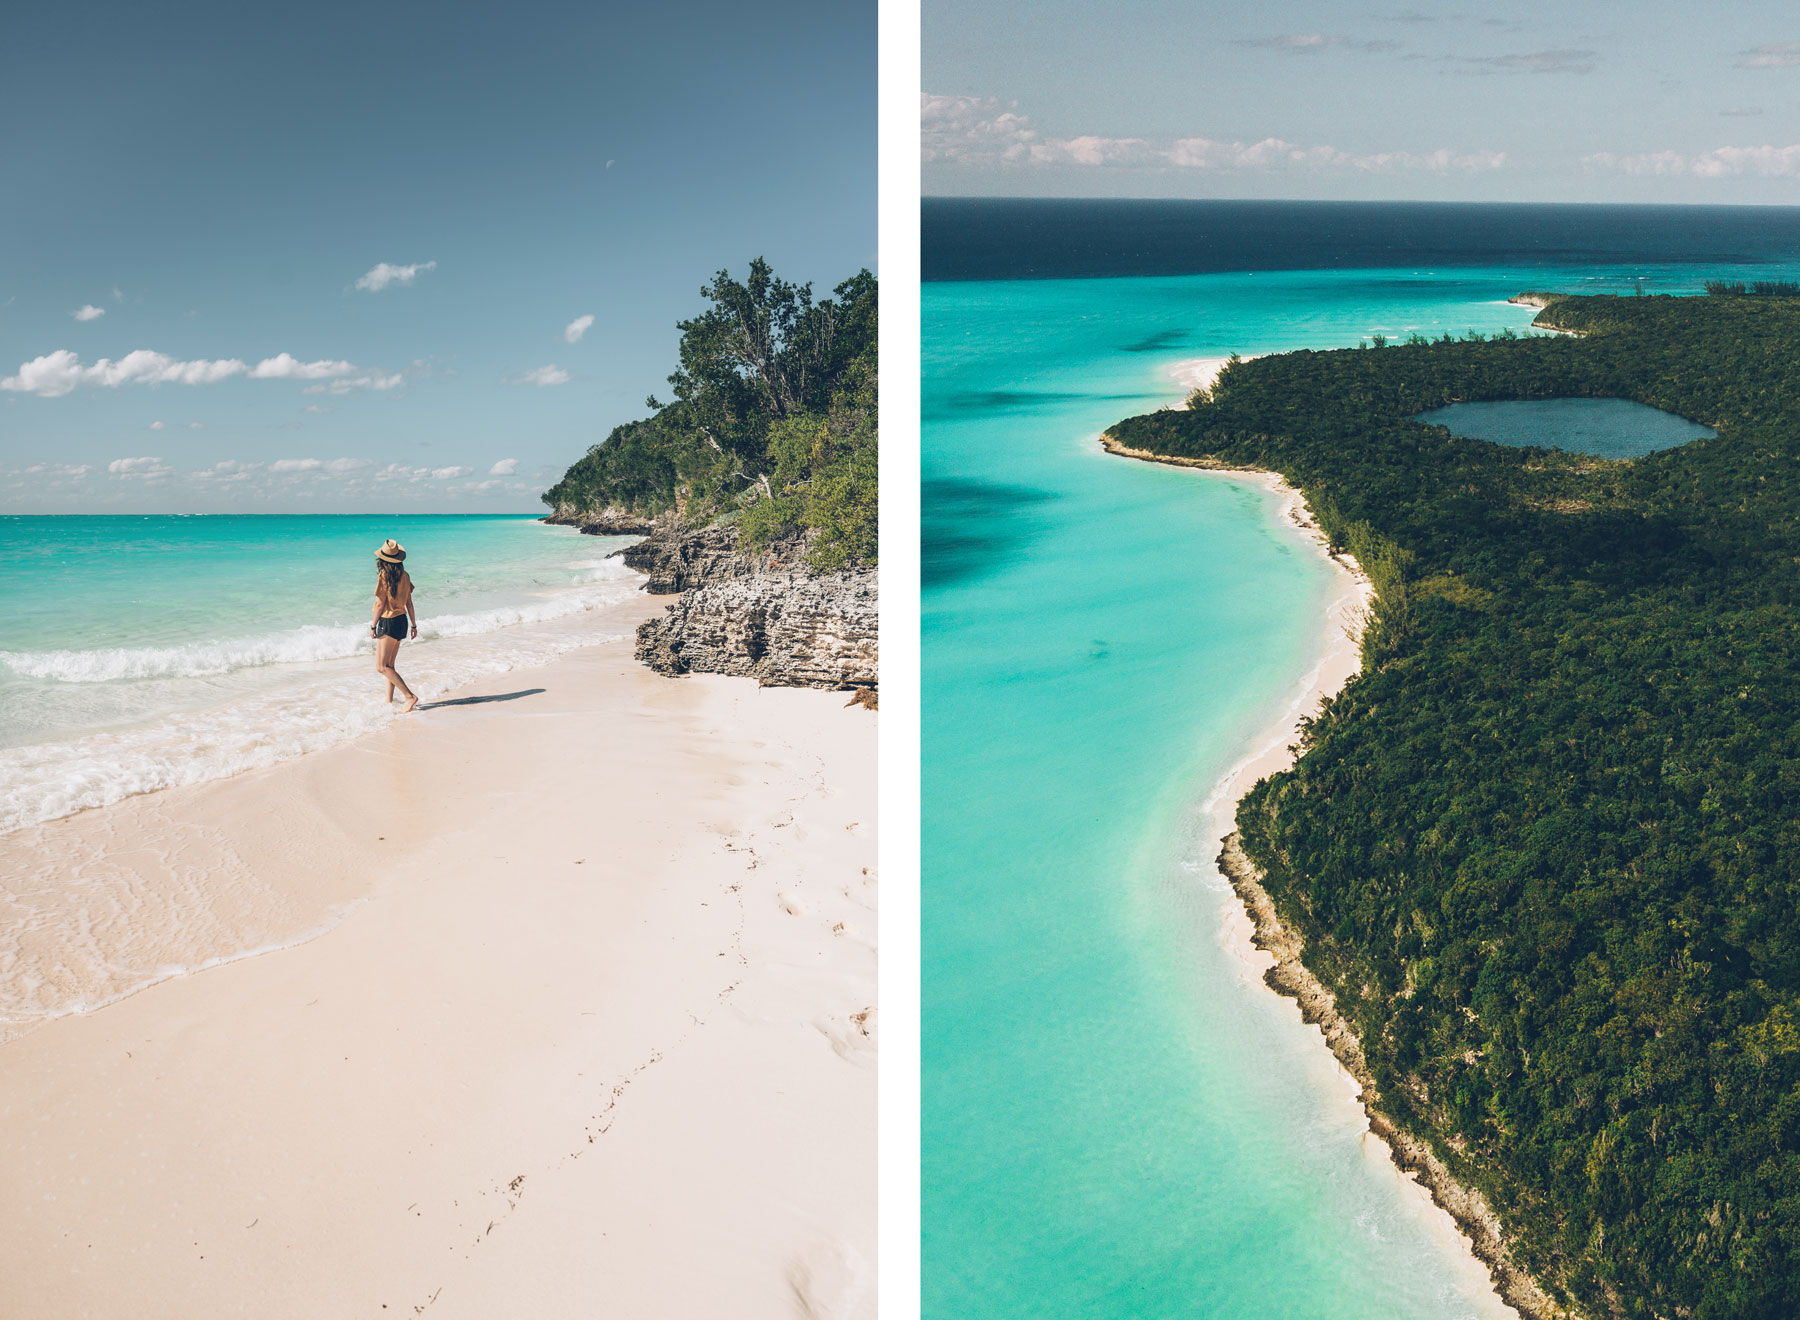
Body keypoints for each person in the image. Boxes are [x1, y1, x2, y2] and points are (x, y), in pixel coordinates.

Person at [370, 539, 419, 712]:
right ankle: (389, 701)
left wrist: (373, 625)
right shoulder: (405, 576)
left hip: (389, 621)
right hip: (402, 622)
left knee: (381, 667)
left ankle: (409, 696)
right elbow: (409, 603)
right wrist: (413, 625)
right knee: (390, 665)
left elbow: (380, 604)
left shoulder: (383, 576)